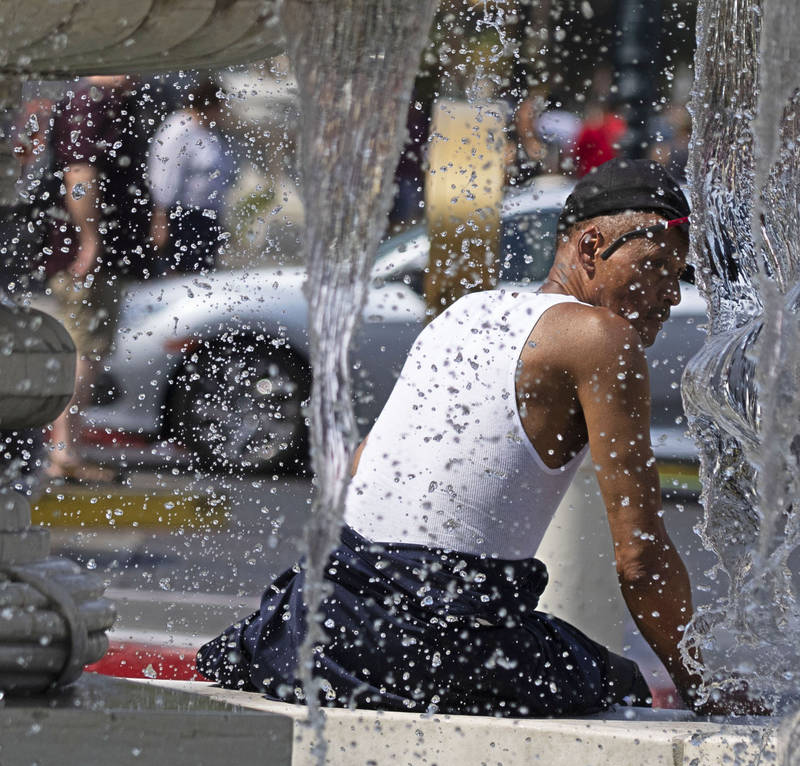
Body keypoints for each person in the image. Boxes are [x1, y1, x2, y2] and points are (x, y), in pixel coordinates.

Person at [198, 159, 753, 717]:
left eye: (677, 275)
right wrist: (703, 688)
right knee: (620, 687)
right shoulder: (601, 337)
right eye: (655, 265)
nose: (671, 295)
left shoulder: (468, 311)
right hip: (420, 643)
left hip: (310, 621)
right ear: (590, 249)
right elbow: (639, 557)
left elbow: (362, 464)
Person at [43, 75, 153, 482]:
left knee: (89, 351)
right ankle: (63, 452)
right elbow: (78, 176)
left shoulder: (109, 101)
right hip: (87, 260)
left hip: (99, 256)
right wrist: (89, 240)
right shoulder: (90, 102)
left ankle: (66, 449)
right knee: (83, 354)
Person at [147, 79, 237, 274]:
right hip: (183, 215)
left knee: (204, 273)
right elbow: (164, 173)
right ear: (210, 105)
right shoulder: (179, 128)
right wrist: (161, 217)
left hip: (206, 214)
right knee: (183, 272)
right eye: (222, 107)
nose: (224, 114)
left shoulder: (208, 130)